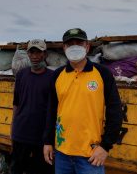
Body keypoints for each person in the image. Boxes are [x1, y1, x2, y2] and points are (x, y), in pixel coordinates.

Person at [43, 28, 123, 174]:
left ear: (87, 46)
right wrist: (48, 141)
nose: (74, 46)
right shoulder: (58, 75)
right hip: (62, 154)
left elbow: (115, 112)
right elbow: (51, 110)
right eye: (70, 43)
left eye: (79, 43)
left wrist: (105, 147)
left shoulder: (102, 73)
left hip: (91, 156)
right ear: (64, 48)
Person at [10, 39, 54, 174]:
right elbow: (16, 103)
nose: (35, 56)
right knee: (17, 168)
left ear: (45, 54)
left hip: (42, 137)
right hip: (21, 133)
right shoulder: (22, 75)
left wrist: (50, 138)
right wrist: (13, 128)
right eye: (32, 52)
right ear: (28, 54)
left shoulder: (53, 77)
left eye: (38, 52)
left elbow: (53, 109)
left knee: (41, 169)